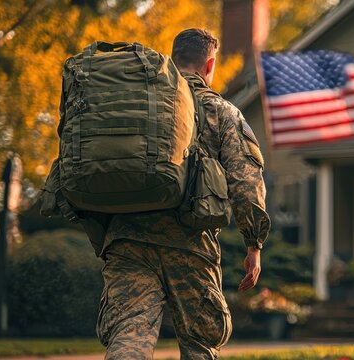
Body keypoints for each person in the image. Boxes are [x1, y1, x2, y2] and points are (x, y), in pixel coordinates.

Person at [96, 28, 270, 359]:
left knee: (129, 335)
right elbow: (246, 184)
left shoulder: (140, 103)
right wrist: (253, 243)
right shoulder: (221, 112)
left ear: (173, 58)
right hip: (189, 243)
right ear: (210, 64)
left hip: (128, 238)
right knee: (200, 343)